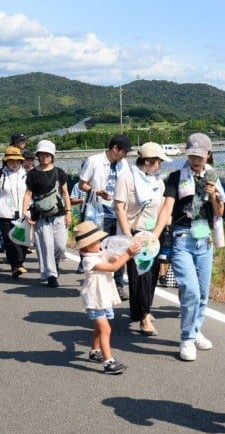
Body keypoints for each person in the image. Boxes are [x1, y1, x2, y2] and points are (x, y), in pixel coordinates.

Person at [156, 132, 225, 361]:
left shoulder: (214, 178)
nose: (196, 160)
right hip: (181, 238)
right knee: (191, 291)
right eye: (192, 155)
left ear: (208, 155)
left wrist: (214, 195)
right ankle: (186, 338)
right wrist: (154, 235)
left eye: (200, 155)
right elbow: (167, 208)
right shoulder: (176, 177)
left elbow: (220, 212)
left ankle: (196, 331)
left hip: (204, 239)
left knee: (204, 293)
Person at [112, 142, 171, 335]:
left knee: (151, 274)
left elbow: (163, 206)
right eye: (158, 162)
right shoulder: (127, 178)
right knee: (140, 276)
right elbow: (119, 207)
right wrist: (128, 234)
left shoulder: (157, 181)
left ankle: (142, 309)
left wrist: (158, 231)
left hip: (153, 232)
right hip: (135, 232)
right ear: (147, 161)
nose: (160, 166)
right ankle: (143, 316)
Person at [74, 220, 140, 375]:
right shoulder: (88, 260)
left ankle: (94, 350)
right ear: (85, 246)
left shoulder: (98, 253)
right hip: (94, 300)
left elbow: (113, 259)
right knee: (106, 329)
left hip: (102, 298)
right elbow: (113, 267)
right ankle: (108, 362)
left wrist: (120, 253)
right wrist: (128, 254)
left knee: (99, 327)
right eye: (95, 241)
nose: (99, 243)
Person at [77, 134, 133, 298]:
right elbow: (82, 184)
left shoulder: (124, 164)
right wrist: (96, 191)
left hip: (118, 211)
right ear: (116, 148)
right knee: (99, 249)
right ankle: (99, 284)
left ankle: (117, 285)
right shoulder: (93, 161)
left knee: (119, 247)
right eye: (124, 151)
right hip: (98, 211)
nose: (126, 155)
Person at [22, 140, 71, 288]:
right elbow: (28, 194)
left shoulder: (59, 172)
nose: (44, 157)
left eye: (47, 154)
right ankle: (51, 274)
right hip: (40, 215)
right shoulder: (33, 174)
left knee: (61, 245)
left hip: (59, 213)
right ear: (38, 156)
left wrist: (69, 213)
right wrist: (25, 211)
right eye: (41, 154)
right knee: (46, 245)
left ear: (52, 156)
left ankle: (55, 263)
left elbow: (65, 193)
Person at [0, 146, 29, 278]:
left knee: (22, 240)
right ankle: (15, 265)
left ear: (21, 161)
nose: (14, 163)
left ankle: (20, 262)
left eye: (17, 161)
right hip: (5, 212)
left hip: (23, 212)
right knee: (9, 240)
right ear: (6, 161)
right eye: (11, 161)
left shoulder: (27, 174)